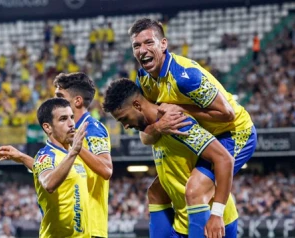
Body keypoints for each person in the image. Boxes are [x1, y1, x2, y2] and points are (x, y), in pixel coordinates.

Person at [128, 18, 257, 235]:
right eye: (136, 46)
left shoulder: (185, 76)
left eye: (149, 43)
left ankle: (217, 219)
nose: (142, 50)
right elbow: (148, 130)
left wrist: (181, 108)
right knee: (159, 190)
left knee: (196, 188)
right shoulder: (143, 80)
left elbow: (227, 114)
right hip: (200, 136)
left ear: (163, 44)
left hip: (234, 132)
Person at [103, 78, 238, 238]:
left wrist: (217, 214)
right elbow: (146, 137)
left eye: (125, 119)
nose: (125, 126)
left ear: (137, 105)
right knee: (154, 191)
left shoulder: (177, 123)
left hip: (210, 224)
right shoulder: (155, 128)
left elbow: (224, 159)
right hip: (183, 223)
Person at [0, 73, 112, 238]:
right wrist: (23, 158)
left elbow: (106, 170)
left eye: (60, 96)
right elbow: (53, 169)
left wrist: (76, 147)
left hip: (91, 225)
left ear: (77, 101)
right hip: (73, 228)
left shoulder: (91, 128)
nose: (56, 100)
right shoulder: (65, 136)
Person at [32, 97, 91, 237]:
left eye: (72, 117)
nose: (71, 124)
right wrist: (73, 152)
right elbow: (48, 183)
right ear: (47, 127)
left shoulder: (72, 154)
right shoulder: (45, 155)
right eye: (63, 119)